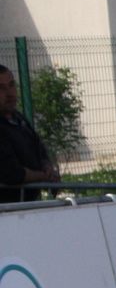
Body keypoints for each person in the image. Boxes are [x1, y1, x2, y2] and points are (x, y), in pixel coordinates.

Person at [0, 63, 57, 204]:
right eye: (1, 88)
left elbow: (39, 149)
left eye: (12, 85)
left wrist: (47, 166)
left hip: (27, 208)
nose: (10, 93)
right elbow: (11, 173)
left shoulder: (19, 119)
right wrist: (43, 177)